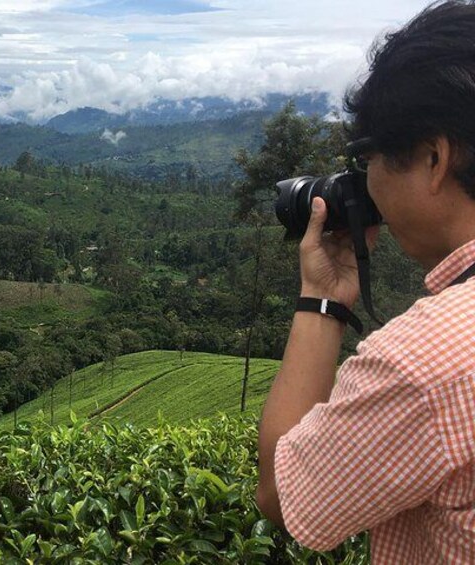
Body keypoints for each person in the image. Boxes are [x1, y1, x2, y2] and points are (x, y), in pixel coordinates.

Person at [256, 1, 475, 562]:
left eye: (366, 155)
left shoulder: (431, 362)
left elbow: (284, 495)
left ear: (433, 157)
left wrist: (321, 299)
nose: (364, 178)